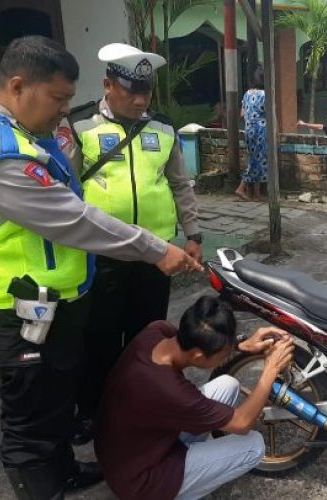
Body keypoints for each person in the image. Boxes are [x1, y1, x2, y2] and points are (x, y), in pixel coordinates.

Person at [0, 36, 199, 499]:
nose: (65, 111)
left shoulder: (20, 131)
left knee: (57, 396)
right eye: (59, 99)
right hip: (20, 305)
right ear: (19, 86)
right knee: (30, 416)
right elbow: (75, 219)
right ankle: (43, 489)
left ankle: (63, 469)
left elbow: (175, 184)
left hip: (54, 298)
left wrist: (184, 235)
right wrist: (155, 249)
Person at [60, 42, 203, 443]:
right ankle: (93, 411)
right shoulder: (79, 126)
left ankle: (142, 404)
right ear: (108, 85)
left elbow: (180, 184)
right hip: (102, 256)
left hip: (158, 255)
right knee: (100, 337)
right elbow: (65, 192)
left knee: (147, 335)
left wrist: (192, 235)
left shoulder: (163, 128)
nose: (140, 100)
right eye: (131, 92)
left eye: (146, 92)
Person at [94, 296, 294, 500]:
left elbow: (196, 338)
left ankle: (192, 461)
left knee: (228, 385)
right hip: (140, 481)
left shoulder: (156, 332)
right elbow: (242, 423)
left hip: (126, 452)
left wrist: (240, 345)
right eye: (222, 354)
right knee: (253, 446)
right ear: (198, 357)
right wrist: (271, 369)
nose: (225, 357)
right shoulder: (169, 389)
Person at [236, 68, 268, 201]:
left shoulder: (247, 94)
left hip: (248, 129)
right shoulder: (264, 95)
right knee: (259, 161)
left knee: (254, 159)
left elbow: (242, 114)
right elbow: (269, 113)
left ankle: (256, 194)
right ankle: (241, 187)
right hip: (261, 130)